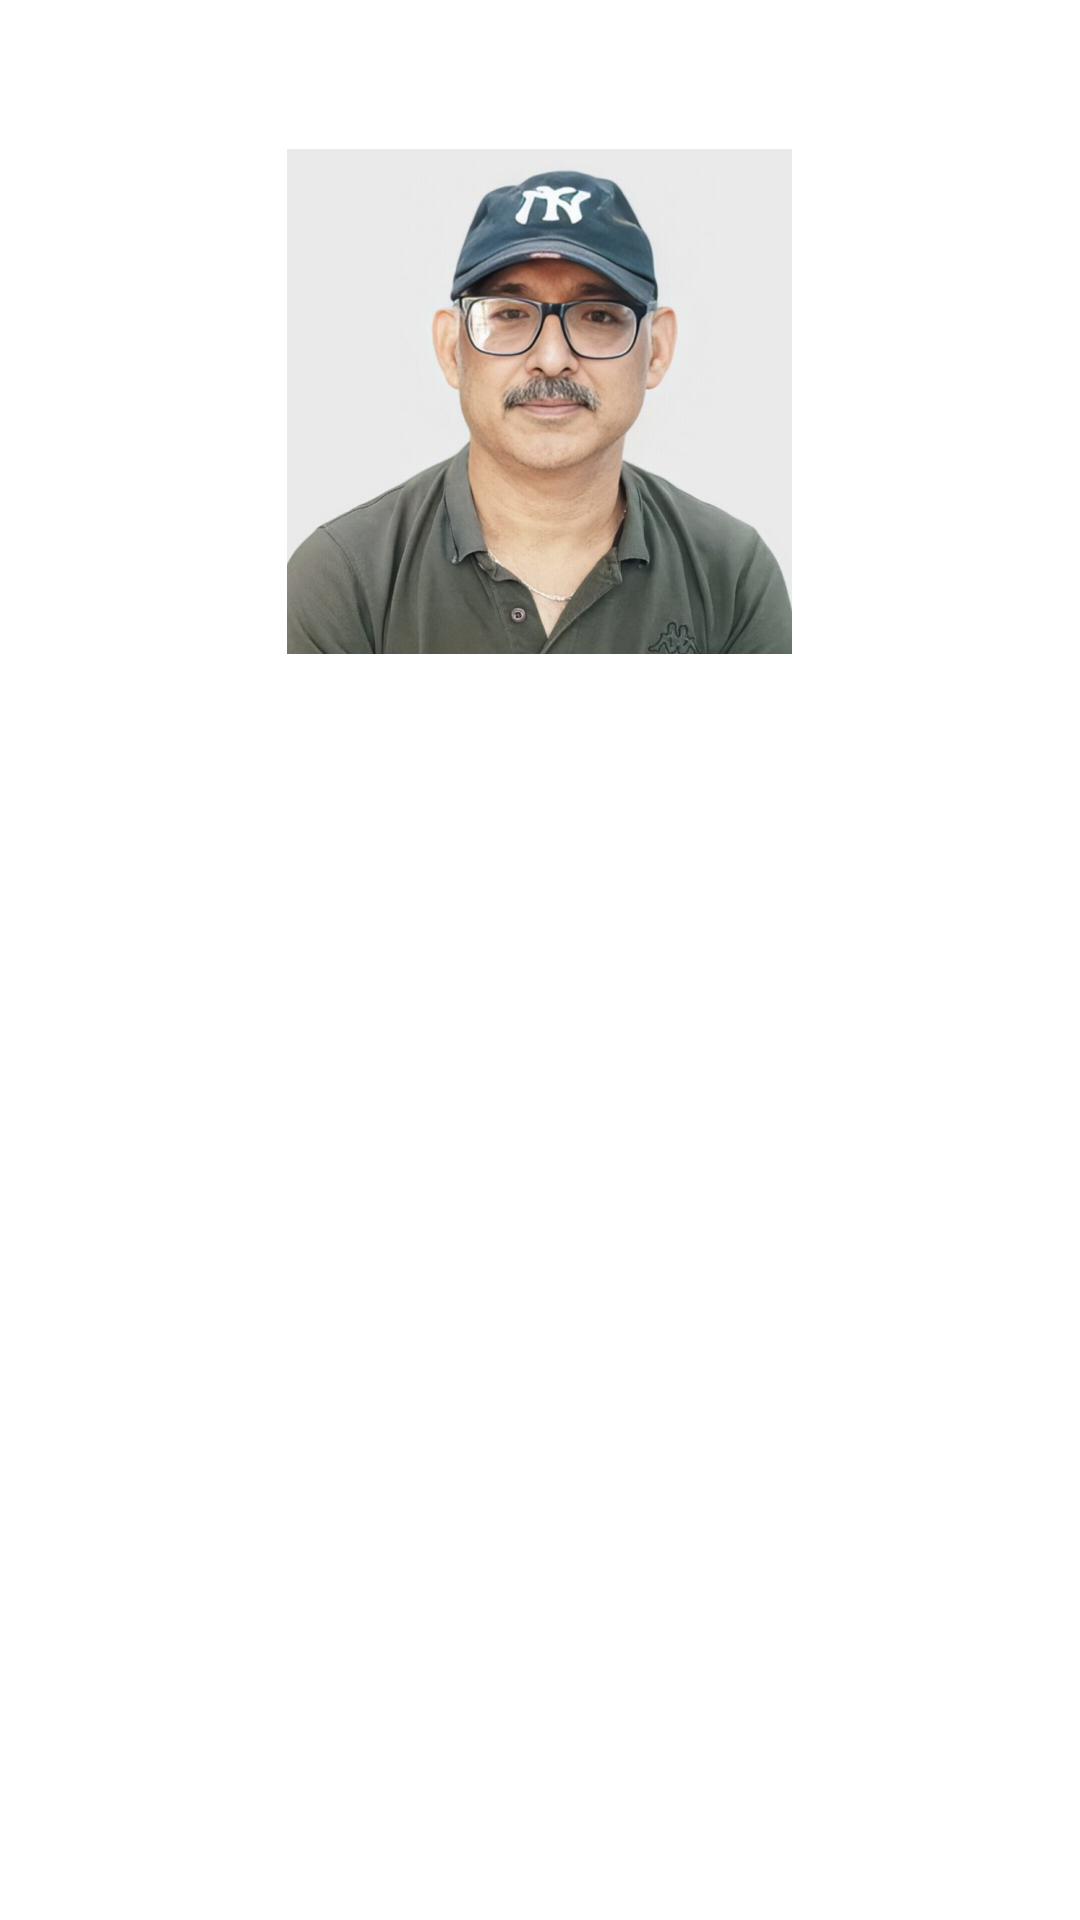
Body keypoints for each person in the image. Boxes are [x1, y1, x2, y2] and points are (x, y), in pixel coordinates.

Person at [287, 170, 791, 655]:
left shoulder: (732, 576)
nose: (551, 358)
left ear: (656, 349)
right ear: (450, 349)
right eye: (509, 313)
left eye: (598, 315)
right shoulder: (344, 578)